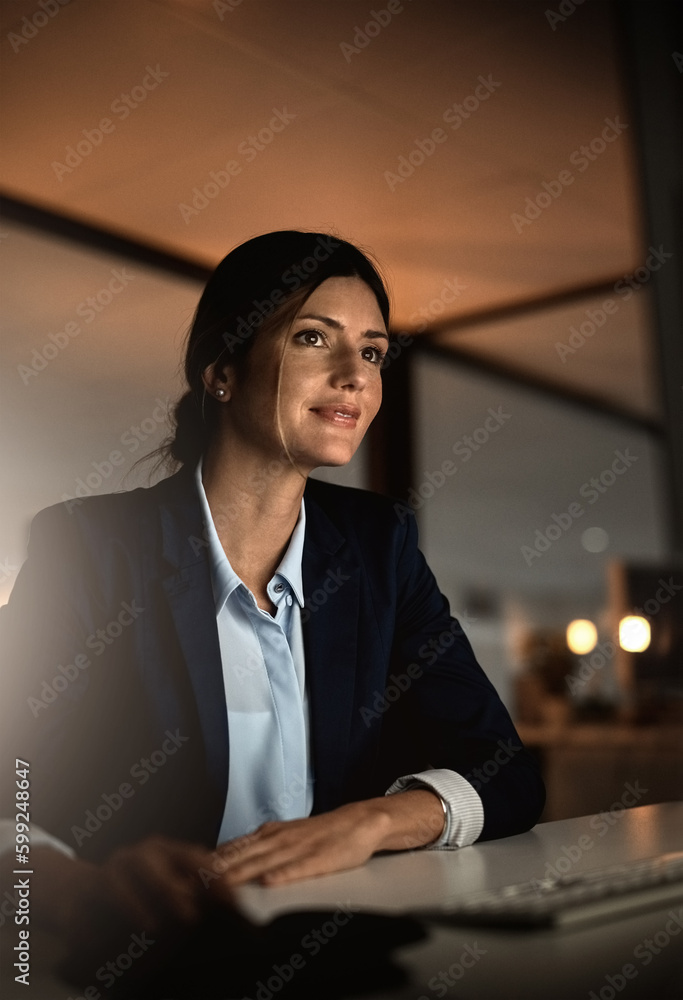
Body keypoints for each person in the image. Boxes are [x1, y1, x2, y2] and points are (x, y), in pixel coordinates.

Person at [0, 231, 544, 957]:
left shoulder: (379, 546)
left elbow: (503, 768)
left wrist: (373, 822)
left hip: (327, 938)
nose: (356, 374)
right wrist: (67, 887)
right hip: (142, 957)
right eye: (315, 338)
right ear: (222, 370)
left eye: (374, 352)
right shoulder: (91, 546)